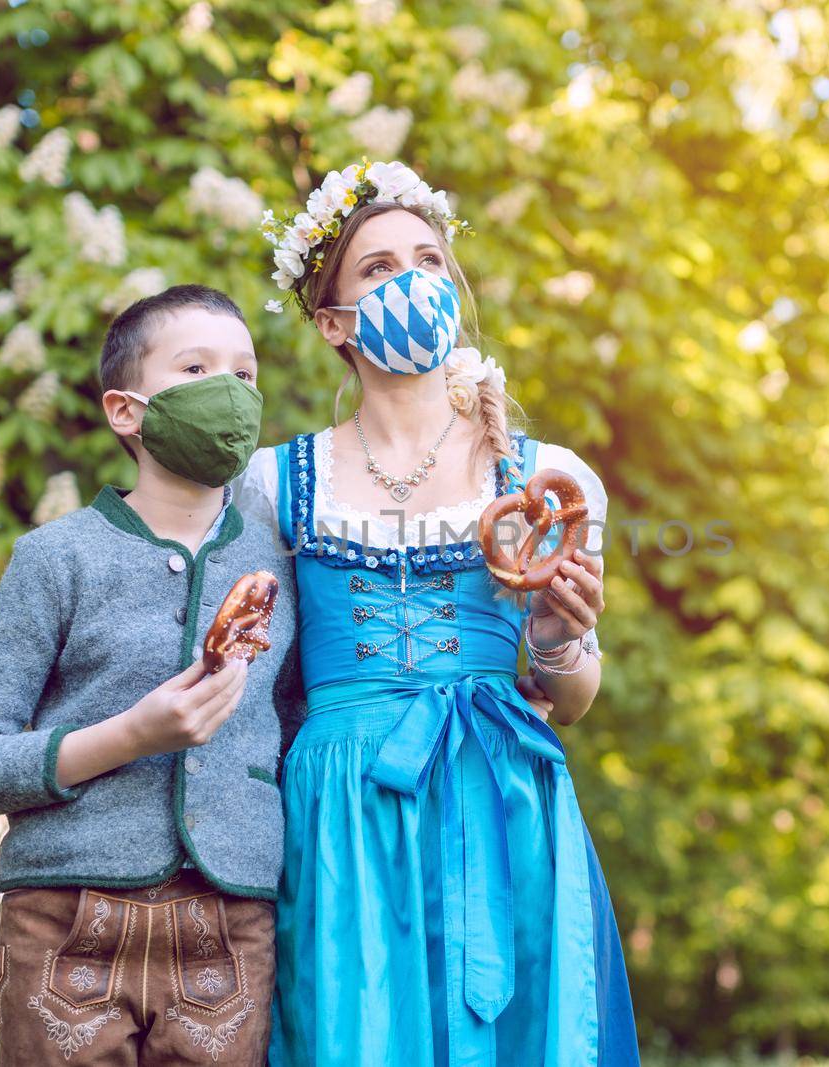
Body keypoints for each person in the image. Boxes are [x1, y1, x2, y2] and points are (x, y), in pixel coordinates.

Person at [238, 161, 640, 1065]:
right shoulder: (273, 482)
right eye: (378, 269)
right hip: (343, 807)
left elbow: (570, 700)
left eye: (427, 258)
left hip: (501, 794)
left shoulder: (551, 480)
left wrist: (557, 635)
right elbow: (256, 680)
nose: (411, 279)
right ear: (331, 321)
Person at [0, 284, 304, 1066]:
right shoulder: (56, 557)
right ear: (125, 410)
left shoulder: (289, 564)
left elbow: (300, 732)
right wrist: (128, 736)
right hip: (67, 917)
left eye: (244, 374)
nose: (229, 395)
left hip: (229, 925)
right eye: (196, 367)